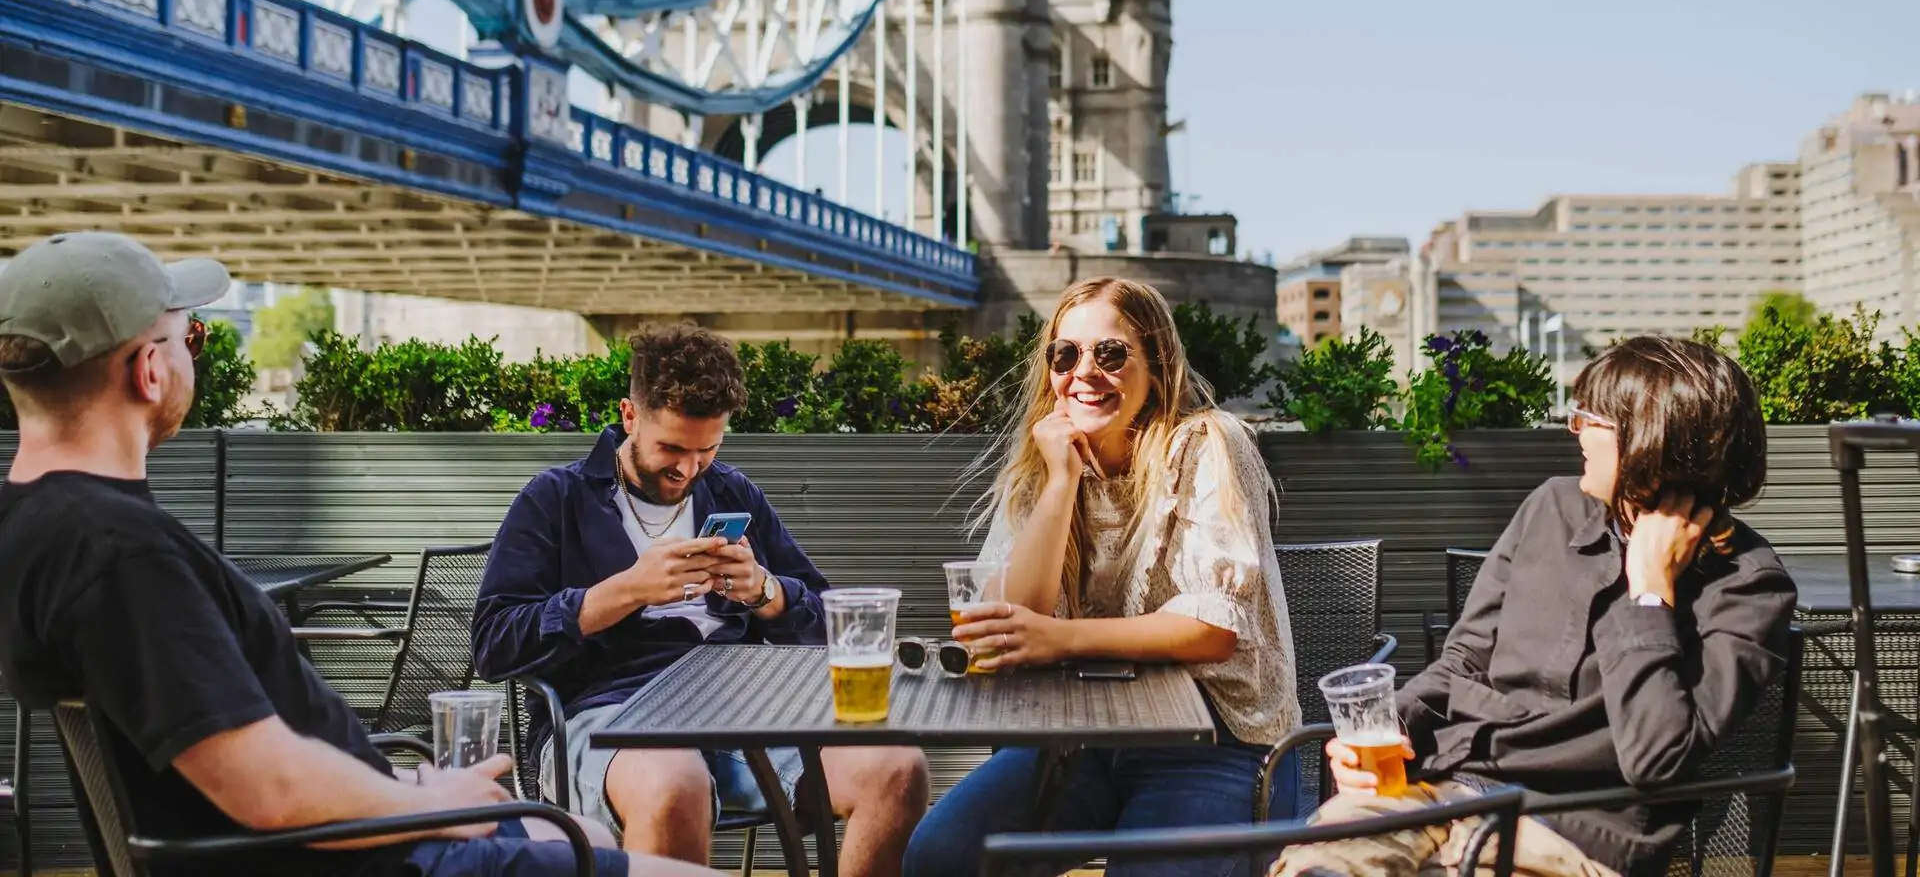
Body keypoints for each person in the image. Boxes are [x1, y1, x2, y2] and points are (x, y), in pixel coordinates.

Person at [0, 232, 690, 877]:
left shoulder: (40, 524)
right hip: (372, 860)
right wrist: (437, 802)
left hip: (341, 835)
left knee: (587, 836)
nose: (192, 353)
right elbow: (271, 789)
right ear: (150, 369)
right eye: (193, 337)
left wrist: (400, 785)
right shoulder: (120, 555)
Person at [1270, 336, 1797, 877]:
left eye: (1591, 418)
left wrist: (1648, 591)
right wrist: (1392, 728)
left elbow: (1656, 759)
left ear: (1652, 439)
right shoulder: (1552, 508)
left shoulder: (1748, 588)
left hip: (1573, 834)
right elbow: (1462, 664)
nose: (1575, 431)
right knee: (1314, 869)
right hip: (1445, 788)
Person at [473, 323, 928, 875]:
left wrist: (766, 592)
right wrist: (627, 590)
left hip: (742, 708)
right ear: (629, 415)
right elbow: (494, 644)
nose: (687, 470)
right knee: (675, 784)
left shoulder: (734, 493)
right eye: (671, 448)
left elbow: (834, 624)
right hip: (613, 714)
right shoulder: (556, 499)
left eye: (706, 450)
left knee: (898, 770)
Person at [903, 277, 1303, 877]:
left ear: (1157, 363)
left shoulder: (1206, 444)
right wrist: (1061, 482)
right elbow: (1004, 622)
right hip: (1082, 735)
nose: (1084, 371)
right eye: (1065, 355)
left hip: (1215, 740)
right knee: (942, 857)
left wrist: (1059, 638)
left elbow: (1214, 629)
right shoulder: (1045, 464)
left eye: (1110, 354)